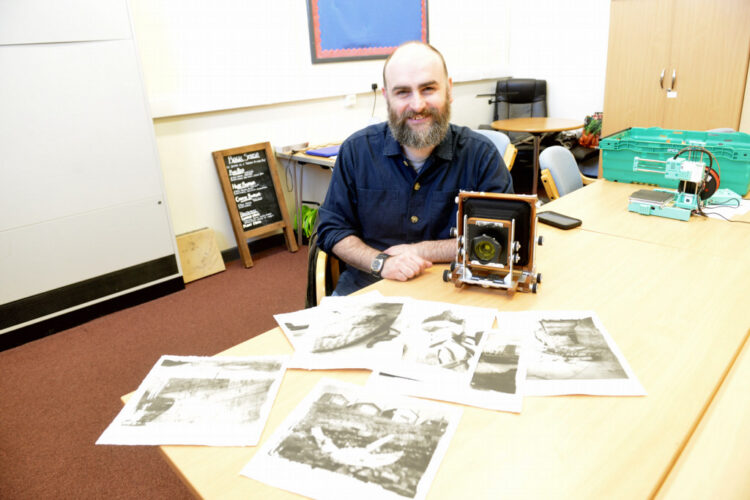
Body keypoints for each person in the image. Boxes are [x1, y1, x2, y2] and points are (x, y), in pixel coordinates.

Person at [316, 41, 513, 295]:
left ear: (449, 90)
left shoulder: (481, 155)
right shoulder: (356, 152)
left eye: (428, 88)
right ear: (387, 97)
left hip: (453, 292)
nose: (417, 105)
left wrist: (421, 250)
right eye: (403, 92)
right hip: (369, 289)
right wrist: (381, 262)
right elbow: (332, 228)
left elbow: (501, 236)